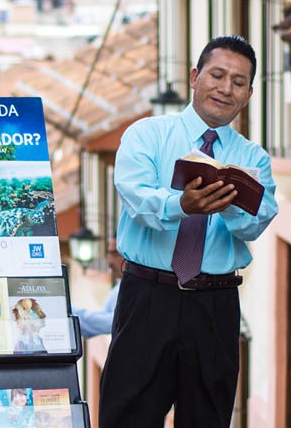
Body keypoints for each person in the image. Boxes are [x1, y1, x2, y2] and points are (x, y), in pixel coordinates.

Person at [99, 35, 278, 428]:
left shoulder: (253, 159)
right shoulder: (145, 135)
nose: (224, 88)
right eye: (217, 75)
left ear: (248, 94)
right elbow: (135, 196)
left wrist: (228, 200)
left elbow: (258, 221)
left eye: (237, 82)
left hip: (216, 305)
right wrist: (182, 205)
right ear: (195, 77)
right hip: (147, 298)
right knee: (126, 417)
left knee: (208, 419)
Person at [73, 237, 123, 338]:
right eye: (109, 254)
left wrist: (69, 311)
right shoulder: (119, 288)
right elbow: (103, 317)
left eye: (115, 254)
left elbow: (113, 322)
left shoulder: (139, 288)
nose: (110, 262)